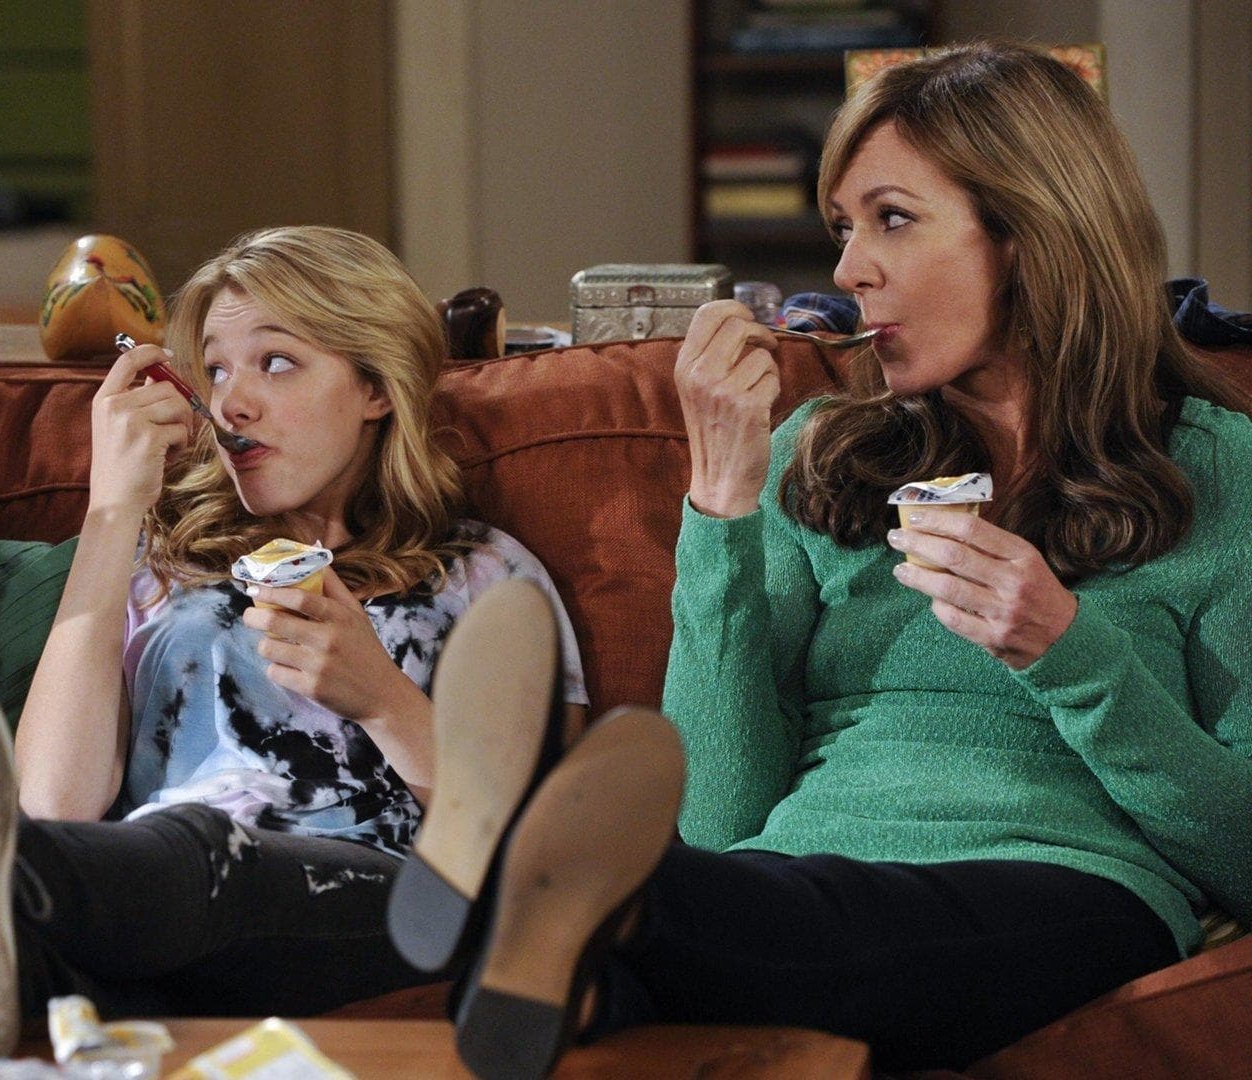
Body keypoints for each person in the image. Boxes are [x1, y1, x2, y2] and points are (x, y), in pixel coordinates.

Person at [389, 41, 1252, 1077]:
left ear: (1031, 233)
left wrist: (1071, 651)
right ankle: (562, 914)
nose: (848, 272)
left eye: (892, 219)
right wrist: (721, 501)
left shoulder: (1221, 472)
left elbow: (1244, 855)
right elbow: (718, 817)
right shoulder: (824, 454)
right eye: (843, 228)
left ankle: (545, 879)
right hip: (785, 879)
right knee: (667, 958)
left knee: (737, 935)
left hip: (1065, 887)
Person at [0, 225, 589, 1057]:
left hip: (374, 893)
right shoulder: (163, 564)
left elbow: (540, 852)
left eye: (276, 362)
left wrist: (385, 702)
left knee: (205, 853)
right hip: (146, 899)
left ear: (376, 388)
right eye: (215, 369)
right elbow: (52, 804)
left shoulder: (484, 575)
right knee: (67, 967)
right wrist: (114, 513)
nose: (231, 401)